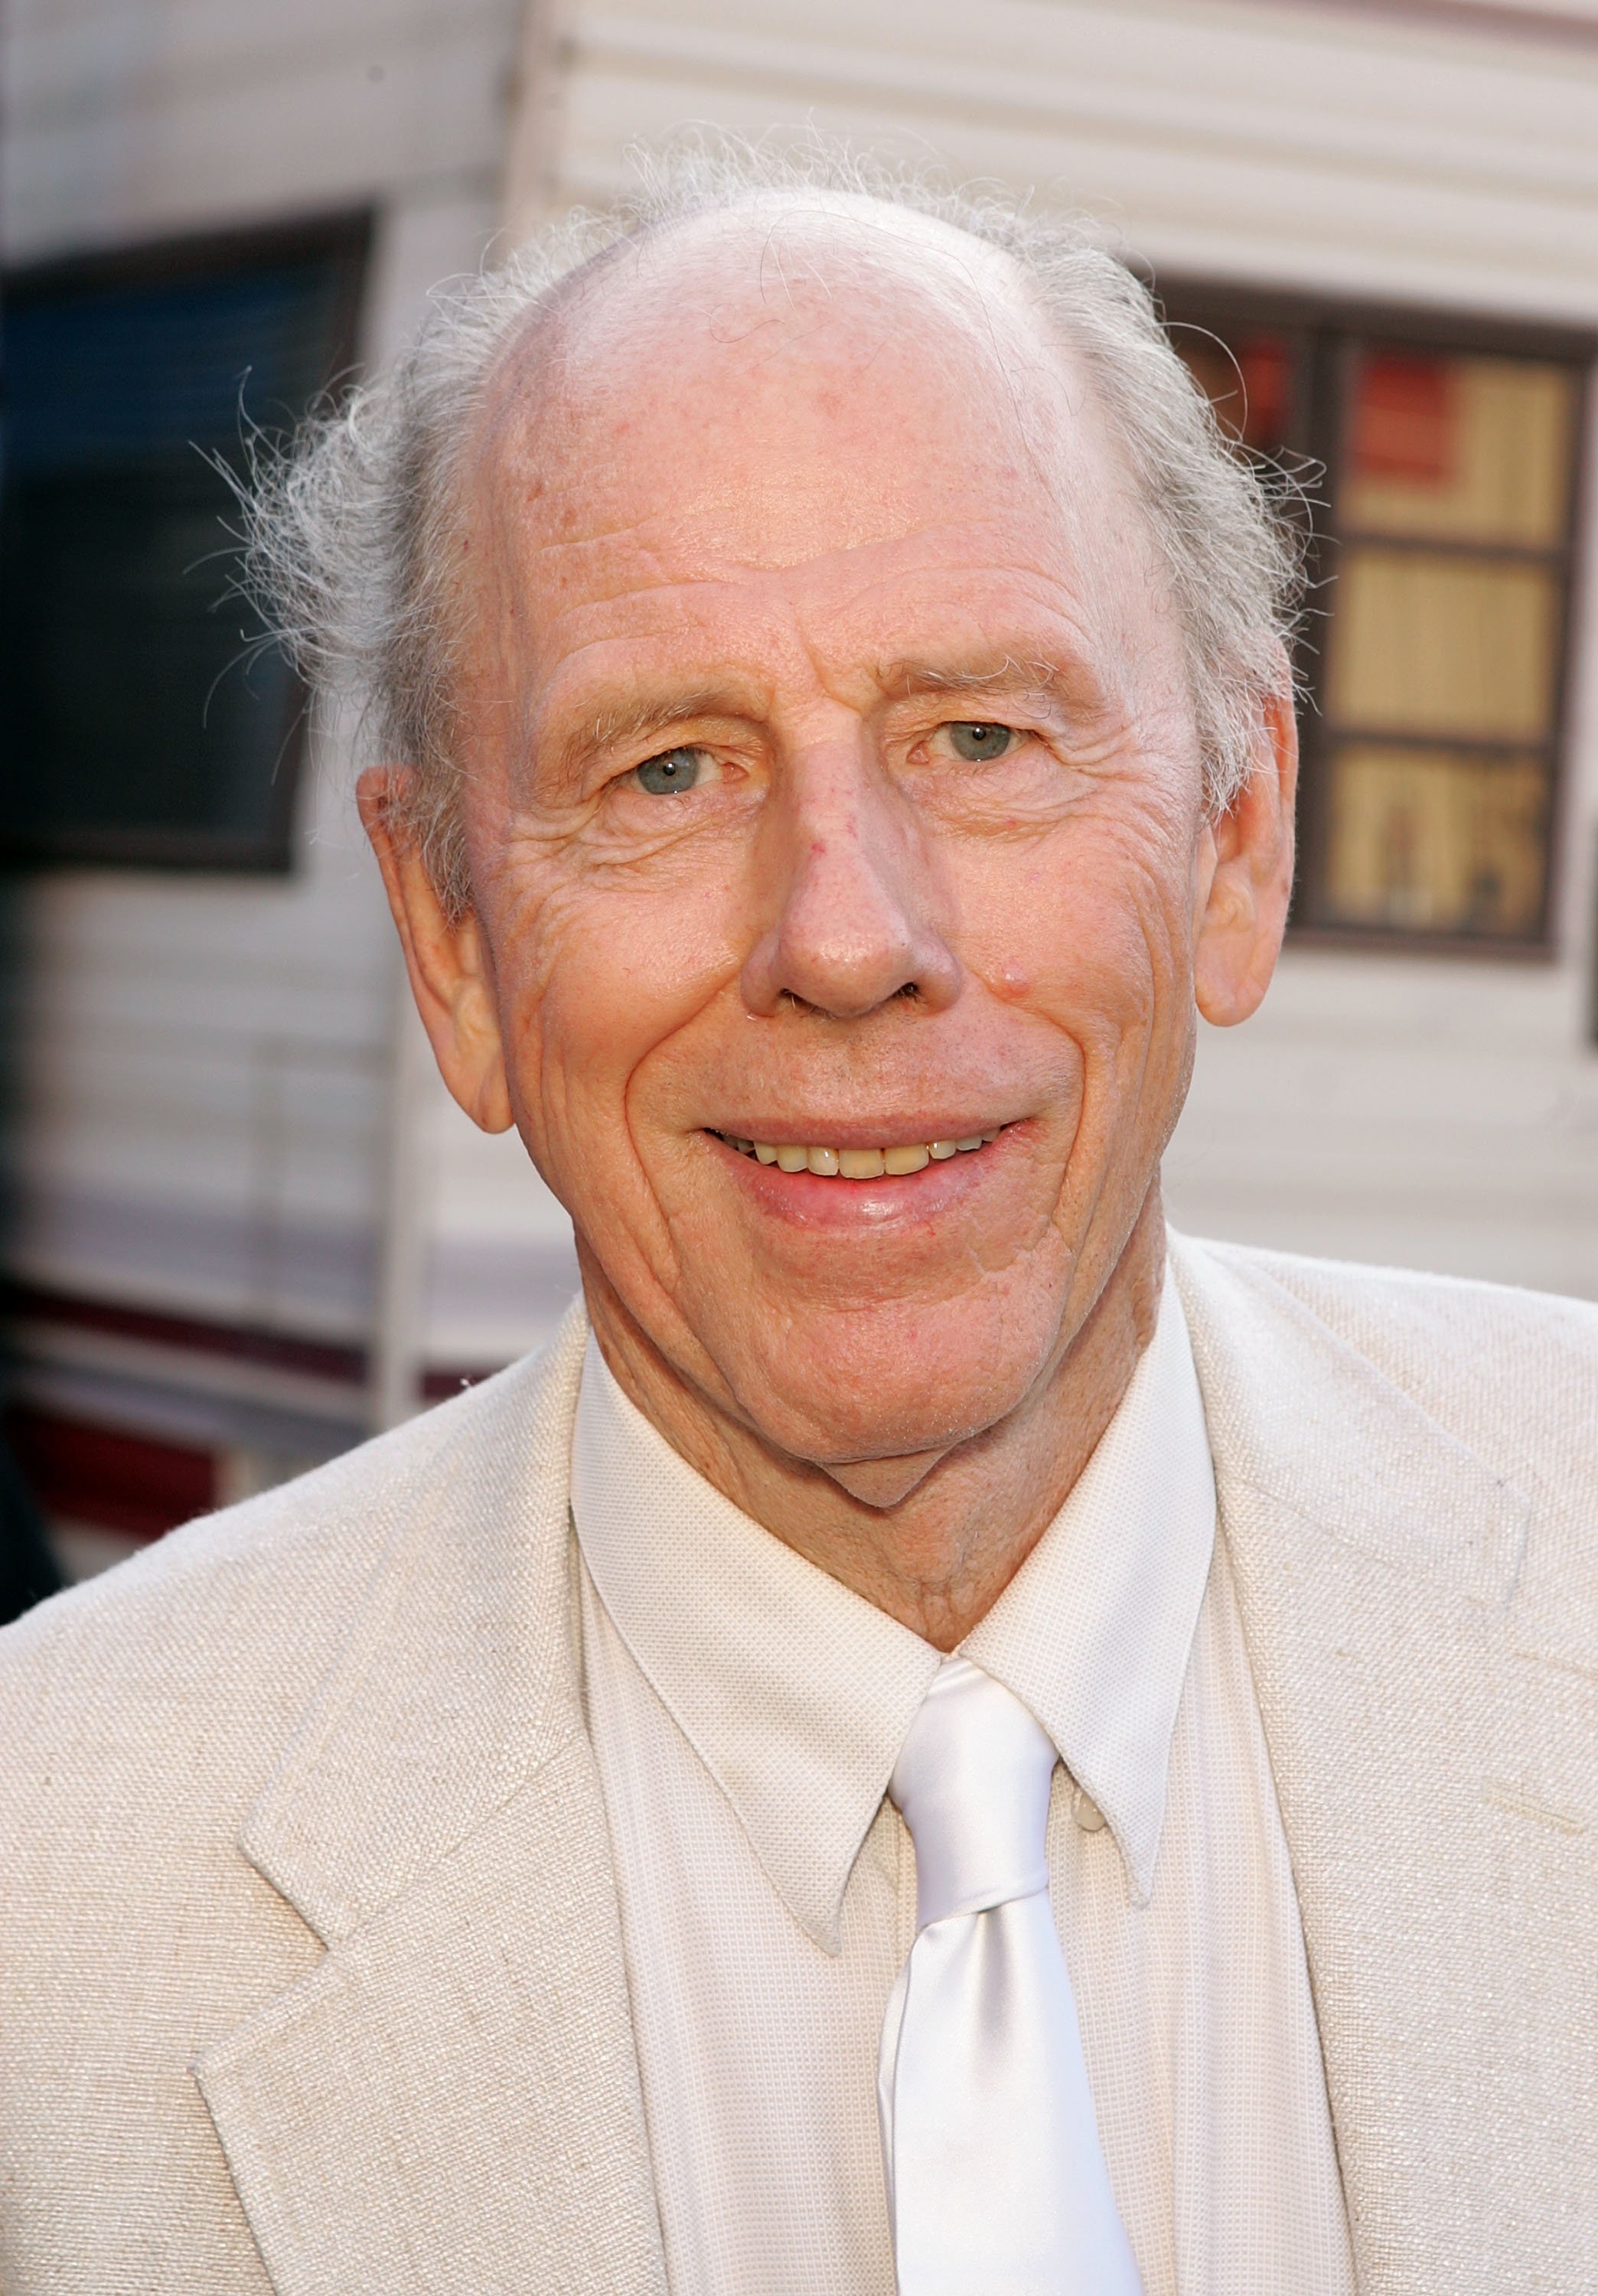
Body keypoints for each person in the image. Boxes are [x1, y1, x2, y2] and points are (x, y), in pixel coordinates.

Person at [1, 149, 1593, 2296]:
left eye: (983, 734)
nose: (849, 936)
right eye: (667, 770)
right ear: (454, 941)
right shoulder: (54, 1879)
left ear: (1235, 841)